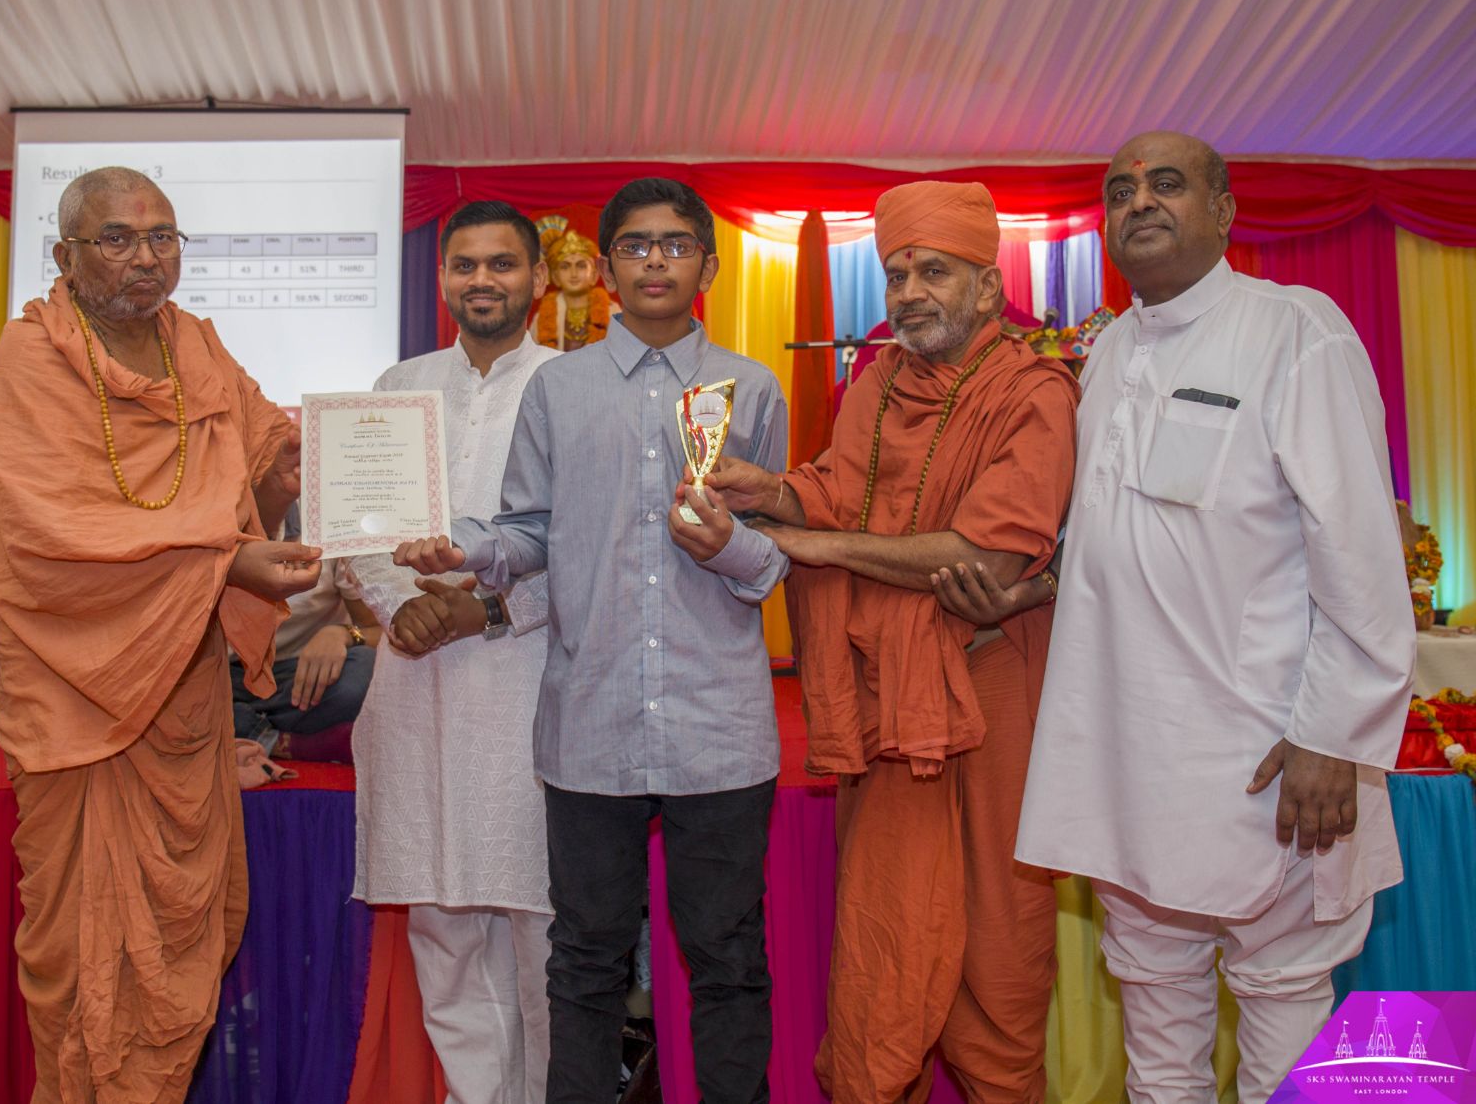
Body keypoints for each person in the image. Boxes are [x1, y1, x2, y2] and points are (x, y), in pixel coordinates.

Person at [1015, 132, 1416, 1104]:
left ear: (1226, 209)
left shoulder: (1291, 328)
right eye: (1118, 190)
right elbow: (1114, 544)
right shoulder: (1105, 352)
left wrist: (1332, 735)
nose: (1138, 201)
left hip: (1266, 764)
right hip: (1127, 762)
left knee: (1286, 1027)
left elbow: (1359, 549)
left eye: (1166, 183)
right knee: (1158, 1039)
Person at [396, 177, 790, 1104]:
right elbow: (529, 532)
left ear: (708, 263)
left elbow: (780, 551)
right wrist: (470, 549)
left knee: (728, 960)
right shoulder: (556, 388)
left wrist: (732, 545)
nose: (656, 259)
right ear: (605, 269)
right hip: (588, 724)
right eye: (636, 245)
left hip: (719, 726)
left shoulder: (753, 386)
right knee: (582, 961)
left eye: (676, 243)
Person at [703, 180, 1077, 1102]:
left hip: (993, 697)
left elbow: (989, 553)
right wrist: (770, 492)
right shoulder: (876, 385)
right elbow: (835, 493)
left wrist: (812, 542)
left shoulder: (1037, 392)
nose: (908, 291)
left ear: (988, 289)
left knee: (999, 945)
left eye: (934, 271)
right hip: (888, 704)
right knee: (885, 939)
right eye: (897, 271)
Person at [0, 166, 319, 1102]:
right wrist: (227, 562)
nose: (145, 257)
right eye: (118, 238)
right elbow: (49, 538)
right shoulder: (31, 358)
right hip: (82, 703)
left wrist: (290, 469)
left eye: (163, 236)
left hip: (184, 702)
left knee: (177, 949)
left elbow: (253, 484)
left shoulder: (197, 347)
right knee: (87, 963)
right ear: (65, 255)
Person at [349, 200, 555, 1104]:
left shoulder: (572, 385)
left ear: (537, 279)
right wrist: (400, 606)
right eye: (464, 265)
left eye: (501, 264)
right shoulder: (400, 384)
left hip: (530, 687)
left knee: (544, 929)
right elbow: (357, 530)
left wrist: (494, 612)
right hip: (416, 690)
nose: (482, 280)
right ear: (441, 282)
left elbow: (595, 548)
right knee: (440, 920)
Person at [229, 502, 379, 760]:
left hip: (298, 679)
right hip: (221, 677)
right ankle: (282, 741)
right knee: (172, 696)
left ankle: (239, 730)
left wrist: (343, 634)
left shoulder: (328, 521)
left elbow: (377, 631)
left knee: (363, 671)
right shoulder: (207, 516)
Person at [531, 215, 616, 351]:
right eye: (565, 266)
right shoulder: (542, 317)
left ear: (594, 275)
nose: (574, 273)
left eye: (581, 265)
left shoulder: (613, 312)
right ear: (555, 277)